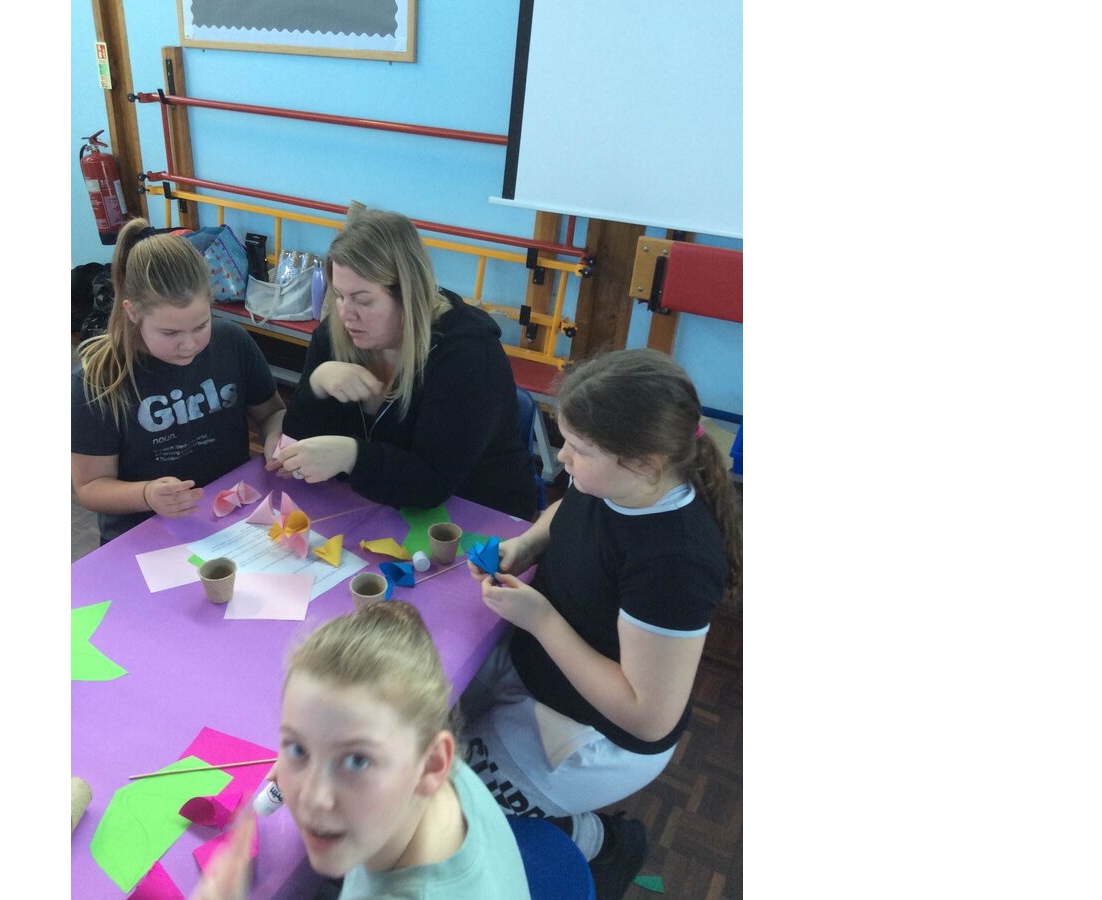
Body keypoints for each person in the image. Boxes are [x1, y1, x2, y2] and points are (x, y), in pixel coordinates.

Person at [458, 349, 743, 900]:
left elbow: (647, 716)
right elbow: (568, 513)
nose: (562, 457)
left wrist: (541, 620)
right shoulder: (609, 482)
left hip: (597, 731)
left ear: (647, 462)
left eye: (579, 449)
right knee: (419, 728)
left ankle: (599, 842)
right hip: (540, 669)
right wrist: (527, 544)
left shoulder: (676, 562)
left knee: (445, 805)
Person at [190, 601, 533, 900]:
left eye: (357, 760)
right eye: (297, 747)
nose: (312, 798)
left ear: (432, 764)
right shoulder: (424, 759)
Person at [266, 206, 536, 521]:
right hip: (378, 506)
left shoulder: (468, 356)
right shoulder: (337, 334)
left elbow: (432, 483)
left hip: (477, 514)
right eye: (339, 295)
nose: (345, 313)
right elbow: (299, 442)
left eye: (363, 300)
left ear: (409, 295)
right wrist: (317, 385)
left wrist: (351, 456)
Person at [72, 218, 286, 544]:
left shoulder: (232, 342)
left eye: (201, 325)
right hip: (145, 531)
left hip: (229, 516)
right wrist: (147, 494)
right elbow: (90, 487)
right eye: (170, 332)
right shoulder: (98, 381)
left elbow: (272, 413)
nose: (189, 344)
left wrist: (275, 439)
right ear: (132, 312)